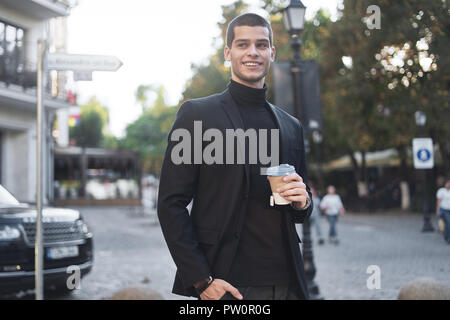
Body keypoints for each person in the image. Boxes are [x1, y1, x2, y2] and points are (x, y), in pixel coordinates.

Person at [157, 13, 313, 300]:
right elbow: (170, 204)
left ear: (272, 53)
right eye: (243, 44)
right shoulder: (197, 115)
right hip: (226, 284)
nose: (253, 52)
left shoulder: (291, 126)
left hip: (287, 283)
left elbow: (299, 209)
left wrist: (303, 202)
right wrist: (202, 281)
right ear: (228, 53)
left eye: (261, 45)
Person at [436, 179, 450, 244]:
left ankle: (446, 235)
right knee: (448, 223)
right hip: (444, 209)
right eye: (448, 183)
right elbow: (439, 201)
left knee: (447, 224)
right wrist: (438, 210)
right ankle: (448, 238)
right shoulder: (441, 191)